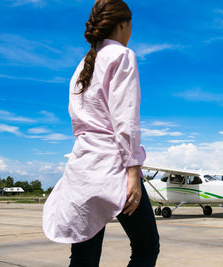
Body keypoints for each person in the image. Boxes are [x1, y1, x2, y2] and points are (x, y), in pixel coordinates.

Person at [42, 1, 160, 266]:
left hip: (82, 169)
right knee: (146, 247)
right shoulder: (122, 55)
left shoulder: (82, 66)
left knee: (84, 257)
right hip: (114, 167)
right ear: (123, 25)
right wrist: (133, 171)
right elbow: (126, 119)